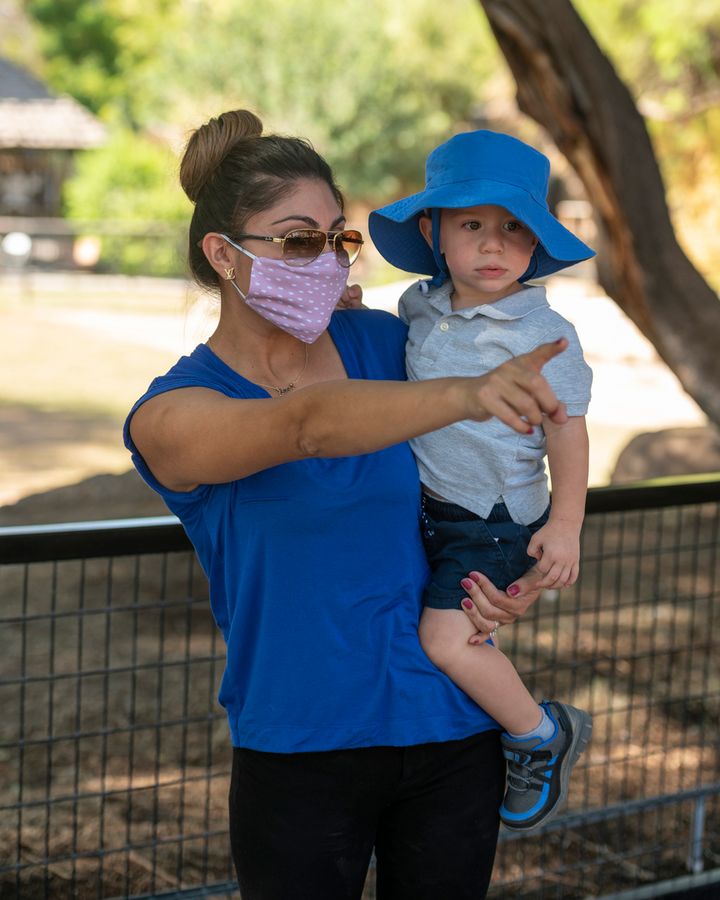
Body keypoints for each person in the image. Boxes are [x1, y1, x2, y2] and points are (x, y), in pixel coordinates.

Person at [123, 109, 571, 900]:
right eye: (297, 240)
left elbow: (494, 451)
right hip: (302, 747)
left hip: (451, 729)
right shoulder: (172, 416)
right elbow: (305, 426)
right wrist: (465, 393)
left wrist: (516, 554)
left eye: (338, 239)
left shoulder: (386, 344)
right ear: (224, 255)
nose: (326, 260)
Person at [369, 129, 594, 832]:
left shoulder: (541, 330)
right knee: (442, 632)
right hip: (431, 505)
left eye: (514, 229)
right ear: (433, 231)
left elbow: (568, 427)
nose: (493, 246)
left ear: (535, 244)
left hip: (492, 517)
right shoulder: (420, 305)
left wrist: (564, 526)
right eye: (473, 226)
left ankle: (539, 734)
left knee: (446, 640)